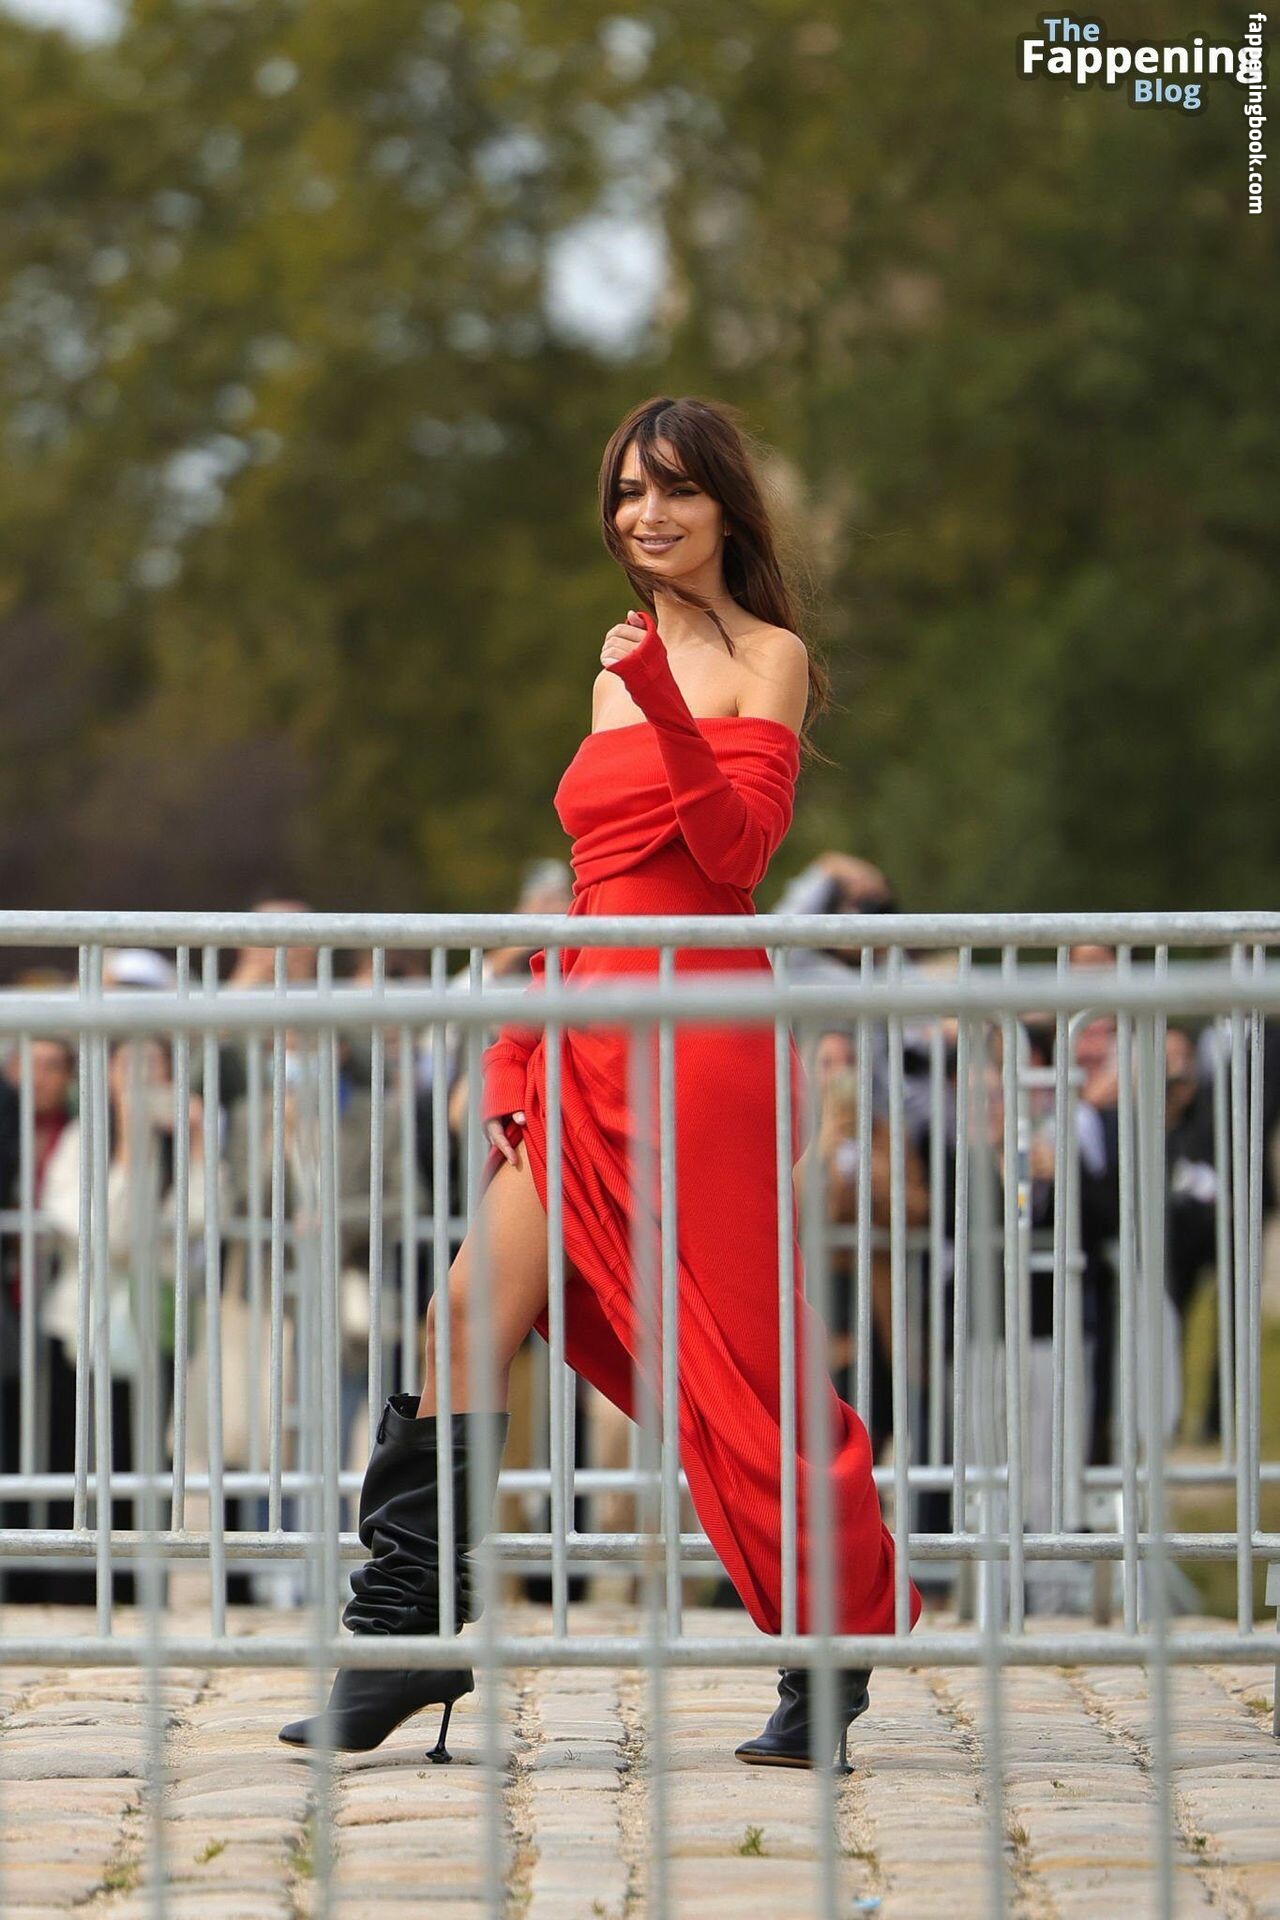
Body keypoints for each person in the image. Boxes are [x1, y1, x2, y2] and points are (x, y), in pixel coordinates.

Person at [279, 392, 922, 1769]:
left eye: (676, 489)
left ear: (726, 507)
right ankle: (405, 1640)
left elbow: (738, 854)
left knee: (740, 1361)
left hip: (699, 1042)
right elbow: (592, 889)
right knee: (464, 1313)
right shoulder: (613, 668)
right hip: (585, 1030)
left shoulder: (769, 658)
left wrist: (664, 702)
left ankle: (829, 1644)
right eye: (629, 491)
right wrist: (520, 1043)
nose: (648, 514)